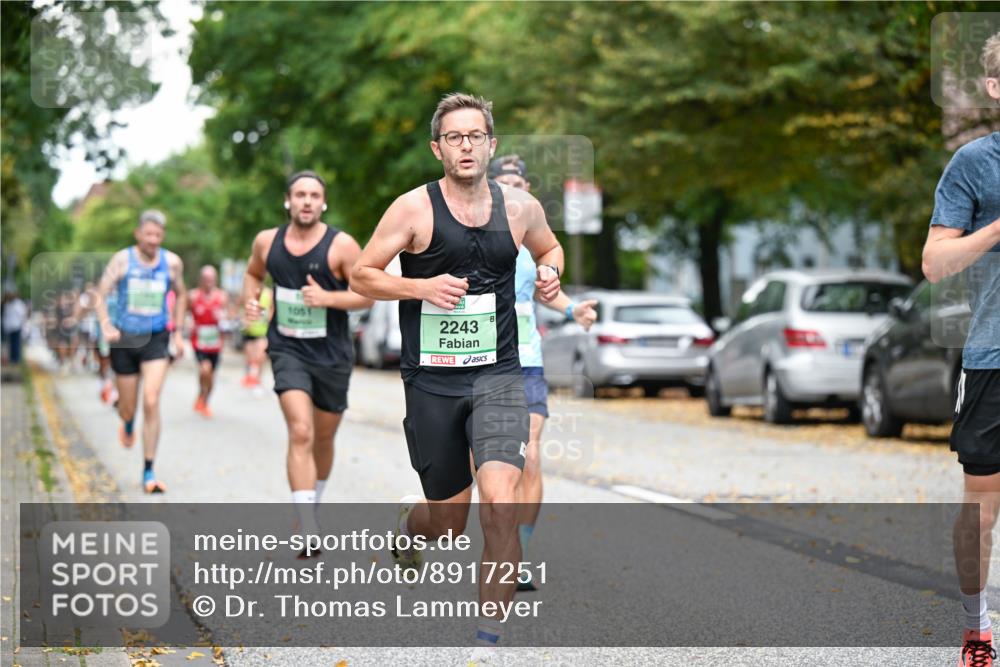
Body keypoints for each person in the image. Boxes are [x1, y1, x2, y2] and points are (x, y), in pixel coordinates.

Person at [350, 93, 564, 653]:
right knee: (448, 521)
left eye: (475, 136)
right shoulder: (412, 209)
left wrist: (548, 272)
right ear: (437, 148)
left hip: (498, 374)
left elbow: (551, 249)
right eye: (454, 137)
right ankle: (411, 528)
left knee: (499, 502)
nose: (465, 146)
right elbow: (361, 275)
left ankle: (485, 644)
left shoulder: (520, 208)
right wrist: (419, 286)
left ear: (491, 144)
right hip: (433, 381)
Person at [921, 32, 1000, 667]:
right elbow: (934, 262)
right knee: (982, 502)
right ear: (996, 89)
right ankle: (976, 630)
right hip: (994, 357)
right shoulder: (974, 164)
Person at [242, 170, 372, 552]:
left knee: (324, 436)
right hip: (287, 348)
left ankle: (312, 501)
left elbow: (367, 294)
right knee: (301, 431)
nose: (307, 201)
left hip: (331, 354)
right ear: (288, 200)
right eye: (300, 194)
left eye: (314, 195)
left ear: (323, 202)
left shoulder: (342, 245)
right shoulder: (267, 242)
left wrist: (329, 299)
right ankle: (309, 525)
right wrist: (251, 301)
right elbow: (253, 275)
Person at [487, 154, 598, 592]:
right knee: (495, 469)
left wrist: (573, 307)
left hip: (527, 360)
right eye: (504, 183)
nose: (513, 189)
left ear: (529, 189)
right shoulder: (473, 234)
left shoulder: (535, 242)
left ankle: (520, 553)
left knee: (529, 455)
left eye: (519, 182)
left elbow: (542, 291)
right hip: (481, 364)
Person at [95, 209, 187, 494]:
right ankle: (127, 420)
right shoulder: (122, 260)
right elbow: (100, 294)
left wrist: (179, 332)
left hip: (156, 338)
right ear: (138, 234)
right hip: (124, 338)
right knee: (128, 406)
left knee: (151, 400)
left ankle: (148, 470)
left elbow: (182, 294)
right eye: (148, 234)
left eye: (158, 235)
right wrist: (106, 324)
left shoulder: (172, 263)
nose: (153, 240)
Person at [187, 266, 229, 418]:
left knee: (210, 374)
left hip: (215, 343)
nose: (208, 282)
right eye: (206, 279)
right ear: (201, 279)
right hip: (199, 341)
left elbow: (229, 318)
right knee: (205, 369)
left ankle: (204, 398)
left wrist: (223, 318)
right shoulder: (192, 296)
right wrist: (188, 322)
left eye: (211, 279)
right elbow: (185, 313)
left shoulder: (222, 296)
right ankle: (203, 399)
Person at [241, 284, 272, 388]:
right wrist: (244, 321)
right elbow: (242, 308)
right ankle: (249, 377)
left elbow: (272, 310)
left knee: (260, 357)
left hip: (262, 332)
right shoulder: (248, 292)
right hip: (249, 332)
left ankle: (258, 380)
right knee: (250, 358)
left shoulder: (269, 294)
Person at [1, 290, 28, 366]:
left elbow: (22, 315)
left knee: (15, 344)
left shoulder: (17, 304)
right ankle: (13, 359)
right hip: (11, 327)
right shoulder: (8, 304)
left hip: (16, 326)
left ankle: (15, 359)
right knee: (12, 344)